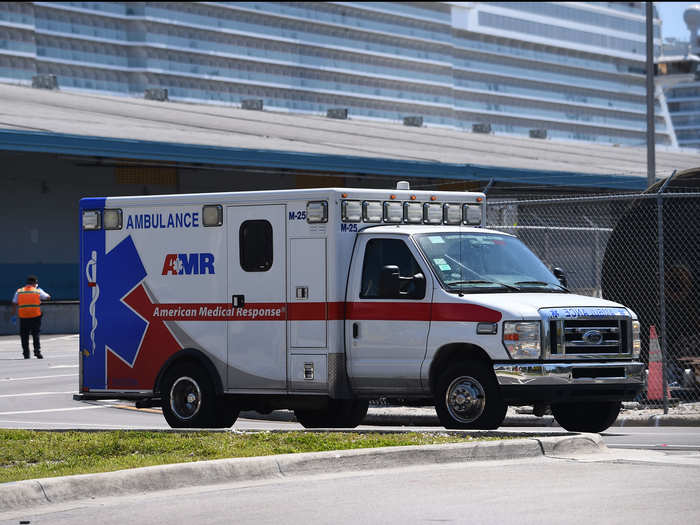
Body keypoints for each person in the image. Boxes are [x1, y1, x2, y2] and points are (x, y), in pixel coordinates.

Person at [11, 275, 51, 359]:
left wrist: (13, 315)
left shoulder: (19, 291)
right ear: (34, 283)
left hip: (23, 316)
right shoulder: (38, 290)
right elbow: (48, 297)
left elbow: (14, 303)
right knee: (35, 334)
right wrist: (41, 292)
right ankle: (37, 351)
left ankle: (26, 353)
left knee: (24, 335)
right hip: (35, 316)